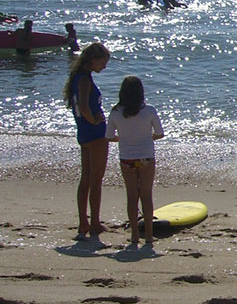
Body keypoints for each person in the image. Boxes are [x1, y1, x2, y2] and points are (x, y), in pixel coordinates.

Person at [106, 76, 165, 249]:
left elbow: (109, 136)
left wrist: (124, 138)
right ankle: (148, 236)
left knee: (132, 196)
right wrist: (148, 137)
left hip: (127, 158)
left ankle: (133, 236)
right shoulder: (149, 111)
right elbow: (160, 133)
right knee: (146, 195)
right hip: (146, 157)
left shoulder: (116, 111)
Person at [63, 43, 111, 240]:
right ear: (93, 60)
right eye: (103, 62)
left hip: (83, 133)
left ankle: (84, 221)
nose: (104, 67)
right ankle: (94, 223)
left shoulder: (78, 78)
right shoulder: (84, 80)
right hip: (95, 133)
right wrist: (95, 120)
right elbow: (83, 106)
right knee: (95, 180)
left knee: (86, 179)